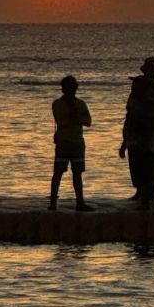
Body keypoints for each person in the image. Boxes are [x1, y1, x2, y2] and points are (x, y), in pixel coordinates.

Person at [119, 56, 154, 207]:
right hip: (136, 132)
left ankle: (151, 195)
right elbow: (129, 111)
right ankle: (140, 192)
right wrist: (125, 139)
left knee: (153, 163)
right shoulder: (138, 87)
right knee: (136, 163)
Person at [50, 74, 93, 211]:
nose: (72, 90)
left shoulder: (80, 104)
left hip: (77, 142)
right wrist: (76, 117)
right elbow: (62, 121)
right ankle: (52, 202)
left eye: (73, 87)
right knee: (58, 173)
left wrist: (75, 117)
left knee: (77, 173)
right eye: (69, 87)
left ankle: (80, 202)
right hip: (64, 142)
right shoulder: (58, 104)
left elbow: (88, 122)